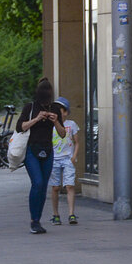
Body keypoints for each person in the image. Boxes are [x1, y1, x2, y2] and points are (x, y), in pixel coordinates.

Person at [16, 78, 66, 234]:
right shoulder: (30, 107)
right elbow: (20, 127)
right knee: (37, 183)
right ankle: (33, 220)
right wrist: (37, 119)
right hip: (32, 149)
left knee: (43, 186)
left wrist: (56, 121)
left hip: (48, 150)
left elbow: (63, 133)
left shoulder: (55, 108)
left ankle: (37, 220)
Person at [49, 96, 80, 225]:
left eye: (60, 110)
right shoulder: (50, 125)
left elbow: (77, 142)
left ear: (66, 112)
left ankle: (71, 213)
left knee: (69, 186)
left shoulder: (71, 124)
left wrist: (74, 157)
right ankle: (55, 214)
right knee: (55, 187)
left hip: (68, 159)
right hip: (54, 159)